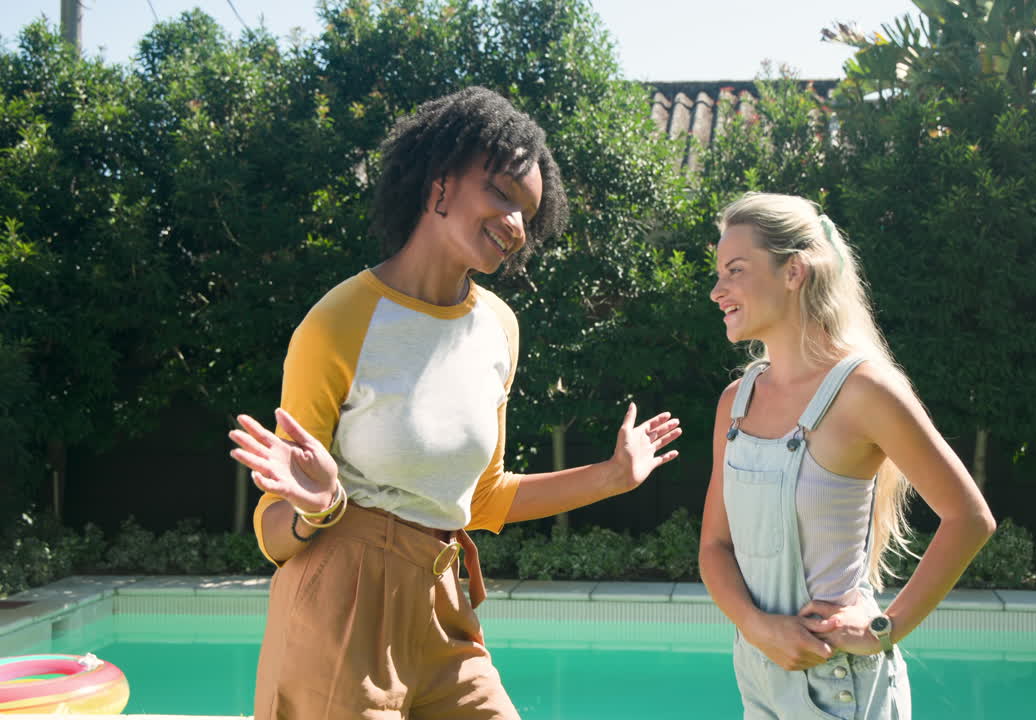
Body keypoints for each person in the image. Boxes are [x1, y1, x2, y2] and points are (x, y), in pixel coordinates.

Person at [227, 86, 681, 720]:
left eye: (528, 213)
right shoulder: (339, 322)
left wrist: (613, 476)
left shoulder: (499, 329)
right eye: (501, 193)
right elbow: (275, 530)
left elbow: (485, 497)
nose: (516, 225)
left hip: (444, 602)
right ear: (439, 183)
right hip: (339, 606)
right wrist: (319, 505)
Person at [699, 192, 995, 719]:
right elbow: (714, 547)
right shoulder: (735, 404)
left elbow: (969, 517)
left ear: (794, 272)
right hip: (758, 677)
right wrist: (758, 626)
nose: (718, 290)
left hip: (841, 689)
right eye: (720, 273)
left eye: (735, 270)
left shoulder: (864, 390)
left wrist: (886, 628)